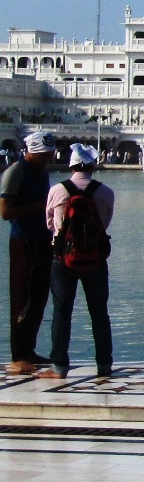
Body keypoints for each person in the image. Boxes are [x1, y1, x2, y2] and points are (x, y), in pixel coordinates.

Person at [39, 143, 114, 379]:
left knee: (62, 311)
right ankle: (104, 364)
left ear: (71, 165)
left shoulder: (57, 190)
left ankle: (59, 365)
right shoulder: (105, 192)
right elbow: (105, 222)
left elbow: (50, 223)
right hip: (96, 258)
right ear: (93, 166)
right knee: (99, 311)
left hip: (63, 258)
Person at [3, 131, 55, 375]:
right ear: (31, 151)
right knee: (21, 298)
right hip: (23, 241)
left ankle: (29, 349)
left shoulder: (42, 173)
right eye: (44, 155)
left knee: (38, 296)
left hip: (42, 239)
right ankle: (17, 355)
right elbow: (5, 212)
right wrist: (41, 204)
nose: (48, 158)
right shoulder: (16, 172)